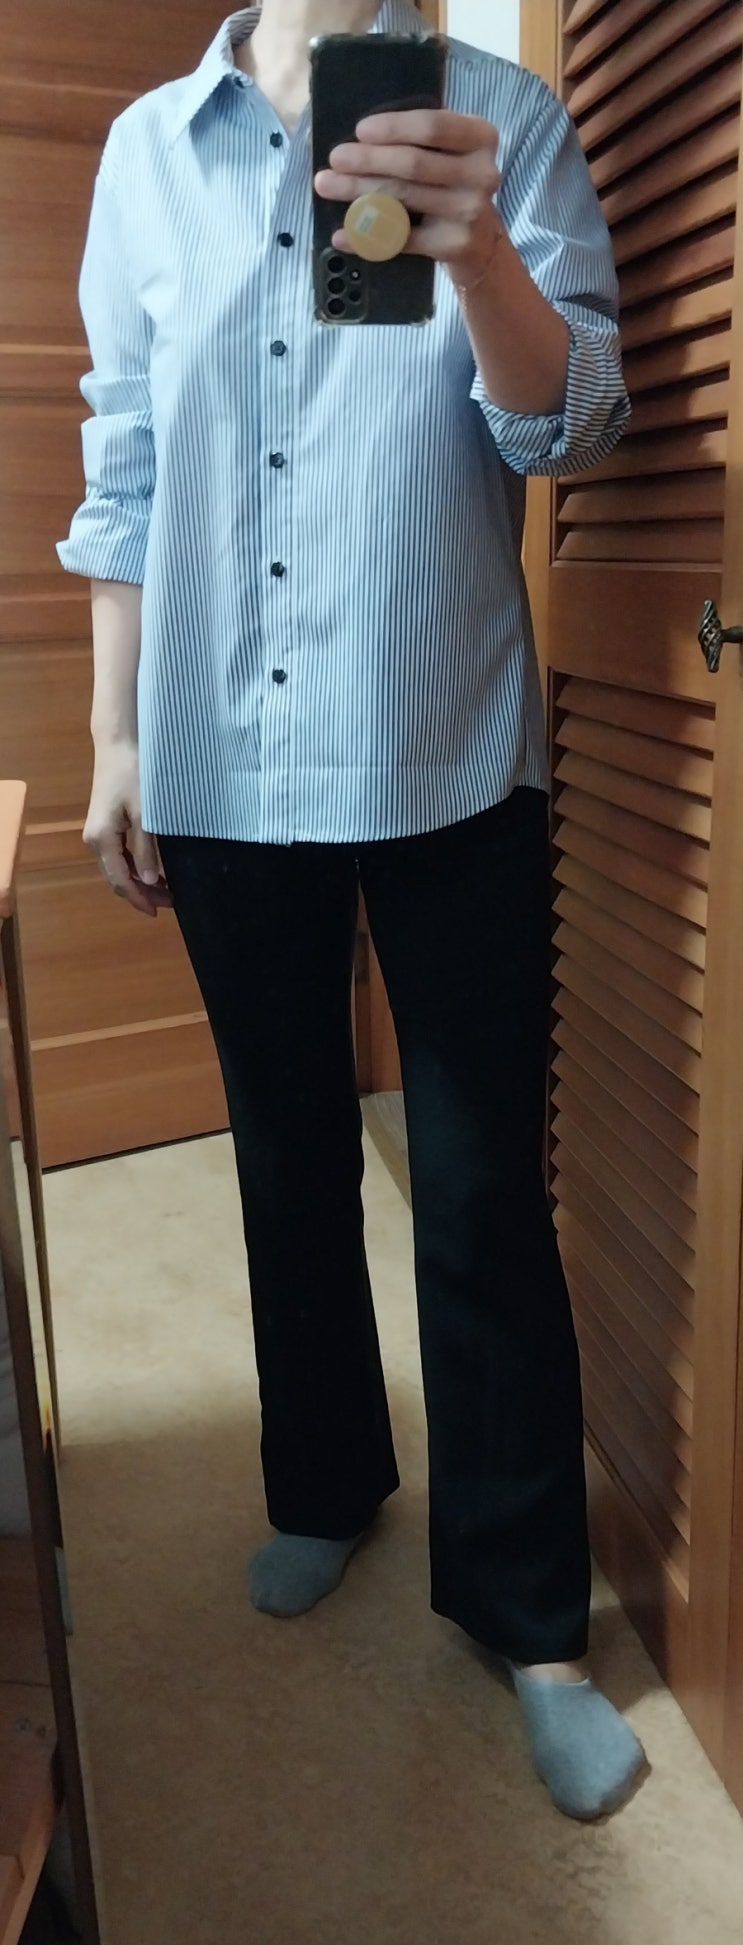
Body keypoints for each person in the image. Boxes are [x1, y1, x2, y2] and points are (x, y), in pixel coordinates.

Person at [58, 0, 645, 1822]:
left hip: (446, 738)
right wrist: (114, 735)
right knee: (288, 1146)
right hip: (222, 752)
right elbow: (126, 456)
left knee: (477, 1188)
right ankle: (324, 1481)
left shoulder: (505, 119)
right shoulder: (148, 151)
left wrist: (482, 261)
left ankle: (531, 1615)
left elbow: (570, 427)